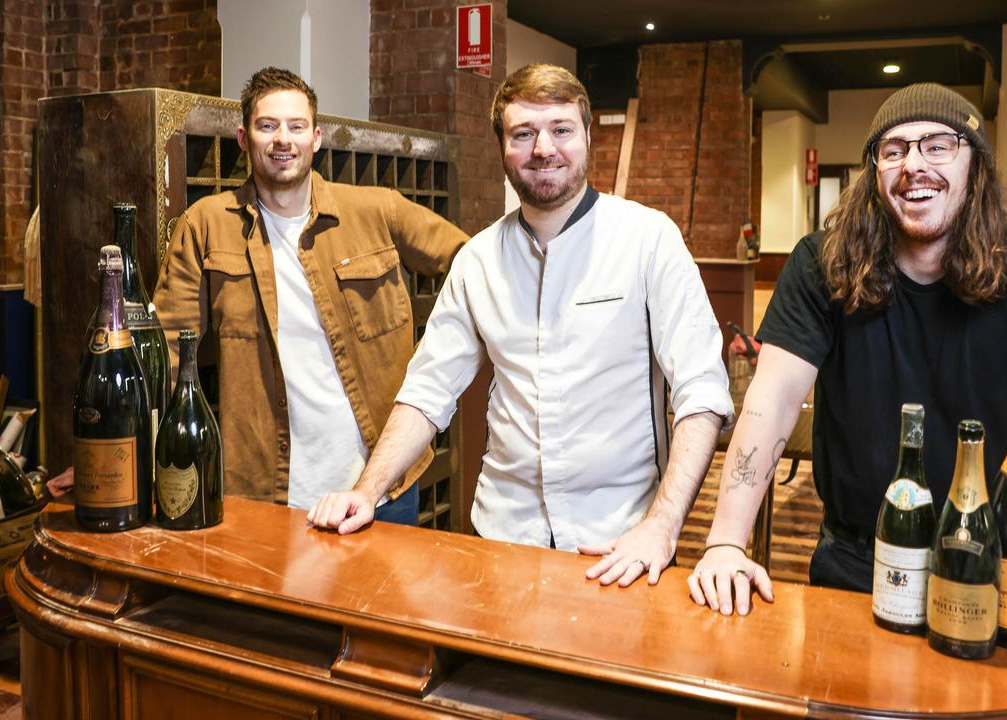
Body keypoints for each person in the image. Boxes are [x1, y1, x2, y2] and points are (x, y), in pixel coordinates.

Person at [690, 83, 1007, 688]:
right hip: (856, 566)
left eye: (937, 145)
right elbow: (770, 405)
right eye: (892, 150)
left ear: (976, 164)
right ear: (874, 173)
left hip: (997, 578)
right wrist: (726, 543)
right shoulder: (821, 263)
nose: (913, 164)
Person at [309, 64, 734, 587]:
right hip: (503, 539)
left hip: (619, 544)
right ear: (502, 148)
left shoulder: (649, 240)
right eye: (524, 134)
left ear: (585, 136)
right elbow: (428, 390)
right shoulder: (479, 259)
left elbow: (701, 393)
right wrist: (366, 490)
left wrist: (662, 527)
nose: (544, 149)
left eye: (560, 129)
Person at [141, 67, 466, 518]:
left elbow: (473, 267)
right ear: (243, 137)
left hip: (381, 484)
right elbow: (168, 354)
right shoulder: (206, 224)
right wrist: (127, 449)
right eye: (267, 126)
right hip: (262, 493)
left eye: (296, 127)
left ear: (316, 137)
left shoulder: (376, 210)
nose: (282, 140)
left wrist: (441, 353)